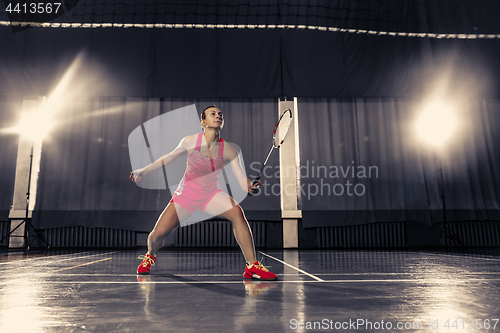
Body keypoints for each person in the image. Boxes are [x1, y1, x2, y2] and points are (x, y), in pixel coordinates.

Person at [130, 106, 277, 281]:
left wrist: (249, 186)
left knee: (237, 213)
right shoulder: (190, 141)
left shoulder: (230, 150)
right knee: (157, 235)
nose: (218, 116)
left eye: (220, 114)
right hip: (186, 196)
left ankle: (252, 266)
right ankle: (150, 255)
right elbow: (168, 158)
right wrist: (143, 171)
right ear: (203, 122)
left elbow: (241, 180)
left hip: (211, 194)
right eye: (213, 114)